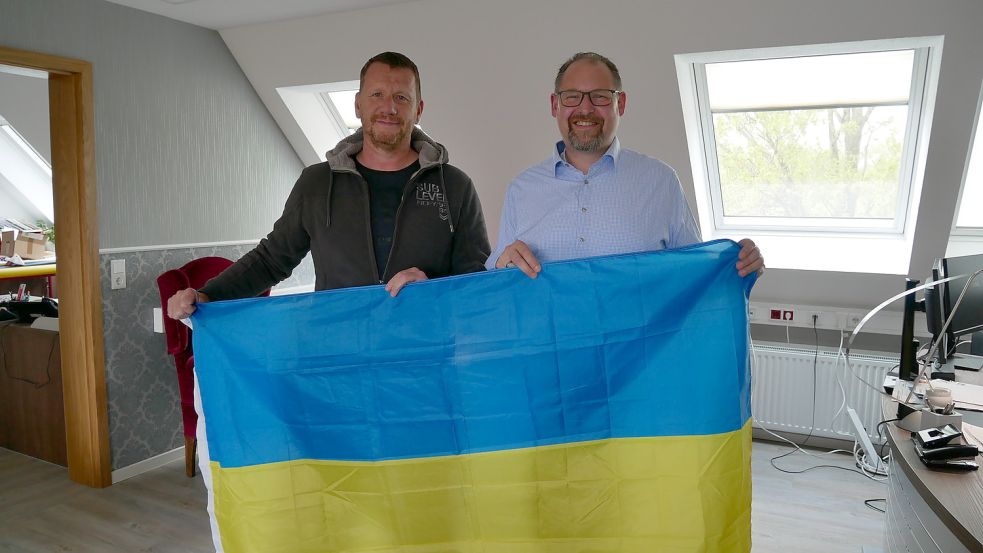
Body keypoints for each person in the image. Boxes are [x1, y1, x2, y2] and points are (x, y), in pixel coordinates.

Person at [168, 52, 490, 319]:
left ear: (418, 109)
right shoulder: (317, 183)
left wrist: (431, 287)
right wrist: (208, 295)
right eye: (376, 94)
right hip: (338, 363)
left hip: (425, 361)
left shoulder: (455, 187)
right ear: (358, 105)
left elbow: (477, 286)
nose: (388, 107)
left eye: (401, 98)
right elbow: (271, 260)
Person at [486, 52, 763, 277]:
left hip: (637, 347)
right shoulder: (521, 189)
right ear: (554, 105)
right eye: (572, 96)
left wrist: (739, 261)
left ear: (621, 103)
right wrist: (501, 263)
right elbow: (496, 275)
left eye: (600, 96)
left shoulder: (661, 181)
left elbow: (696, 272)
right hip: (553, 346)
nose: (585, 109)